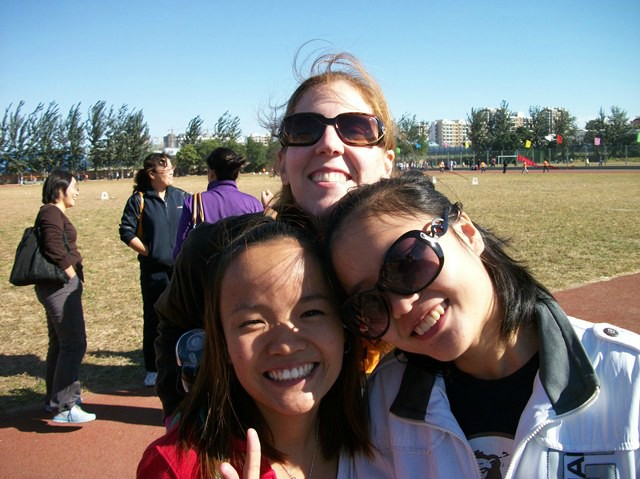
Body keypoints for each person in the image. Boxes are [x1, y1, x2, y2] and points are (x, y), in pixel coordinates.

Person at [324, 173, 640, 478]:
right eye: (368, 303)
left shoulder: (630, 377)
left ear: (467, 233)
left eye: (408, 263)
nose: (401, 306)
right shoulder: (382, 404)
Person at [154, 51, 396, 423]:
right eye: (304, 129)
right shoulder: (213, 250)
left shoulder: (419, 260)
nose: (329, 143)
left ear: (387, 163)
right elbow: (174, 326)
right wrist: (186, 415)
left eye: (356, 128)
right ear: (282, 164)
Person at [137, 214, 371, 478]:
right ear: (222, 343)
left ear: (344, 328)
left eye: (311, 313)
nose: (285, 345)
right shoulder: (175, 468)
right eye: (252, 322)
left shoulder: (385, 433)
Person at [119, 153, 187, 387]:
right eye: (167, 169)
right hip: (153, 272)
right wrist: (149, 252)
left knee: (183, 316)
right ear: (151, 174)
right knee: (154, 318)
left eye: (172, 168)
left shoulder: (181, 196)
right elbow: (126, 231)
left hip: (179, 270)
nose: (172, 172)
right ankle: (152, 367)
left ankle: (182, 363)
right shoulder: (138, 200)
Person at [35, 170, 96, 423]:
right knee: (73, 343)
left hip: (56, 286)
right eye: (74, 187)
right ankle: (65, 405)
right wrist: (72, 275)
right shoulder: (50, 212)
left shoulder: (52, 213)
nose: (77, 192)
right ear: (60, 189)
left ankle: (54, 400)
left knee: (60, 344)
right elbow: (54, 247)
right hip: (60, 286)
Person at [173, 147, 263, 258]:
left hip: (205, 268)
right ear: (236, 173)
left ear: (211, 173)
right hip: (243, 267)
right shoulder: (254, 204)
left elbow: (180, 252)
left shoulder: (194, 203)